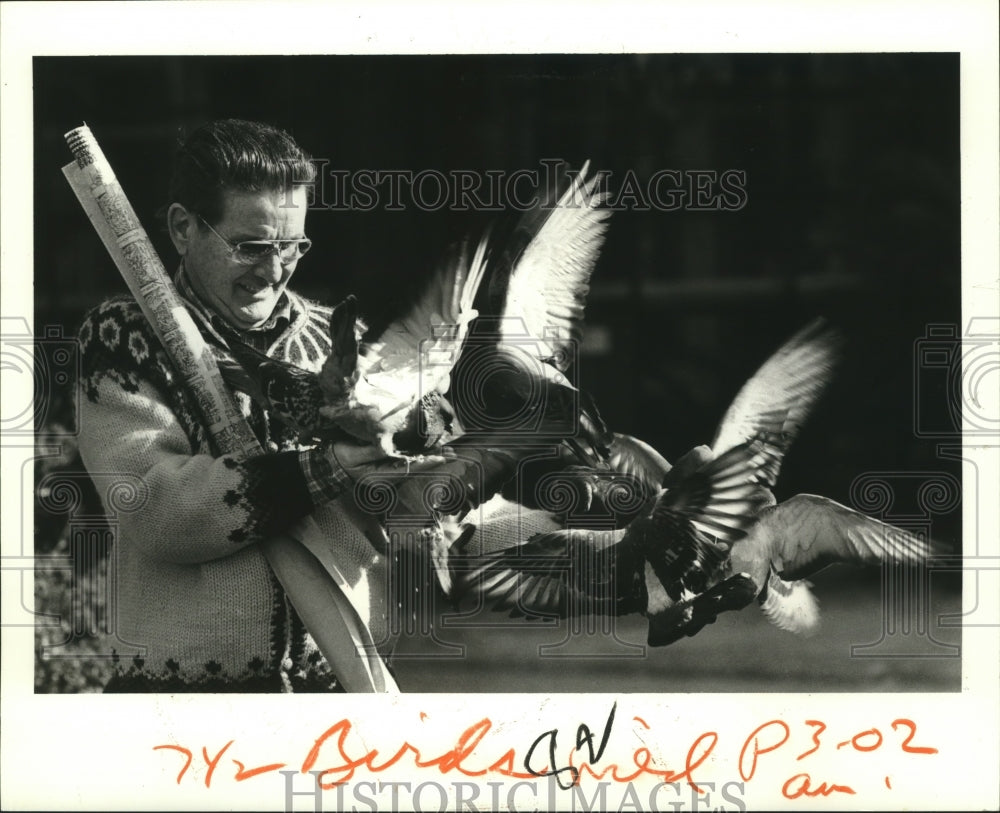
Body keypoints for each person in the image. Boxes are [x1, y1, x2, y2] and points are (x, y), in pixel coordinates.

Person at [76, 119, 435, 692]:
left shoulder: (338, 337)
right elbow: (156, 509)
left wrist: (418, 446)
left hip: (337, 684)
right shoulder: (123, 337)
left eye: (291, 246)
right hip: (184, 701)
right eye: (250, 246)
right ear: (183, 228)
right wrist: (325, 469)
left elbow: (414, 504)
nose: (273, 270)